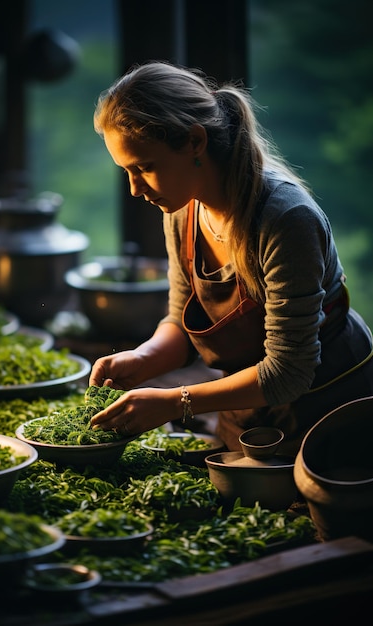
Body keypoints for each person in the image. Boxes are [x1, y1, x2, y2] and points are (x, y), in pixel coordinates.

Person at [88, 60, 373, 456]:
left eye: (146, 168)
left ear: (194, 142)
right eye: (127, 172)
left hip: (327, 411)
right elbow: (181, 321)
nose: (136, 189)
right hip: (243, 405)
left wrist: (174, 401)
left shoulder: (286, 219)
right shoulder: (183, 210)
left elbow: (289, 371)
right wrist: (142, 359)